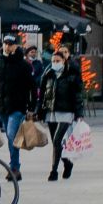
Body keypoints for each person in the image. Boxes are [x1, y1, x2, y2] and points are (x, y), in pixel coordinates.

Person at [0, 35, 38, 181]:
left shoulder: (23, 65)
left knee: (12, 136)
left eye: (10, 44)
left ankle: (14, 167)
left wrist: (31, 107)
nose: (7, 46)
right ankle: (14, 166)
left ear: (15, 46)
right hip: (2, 107)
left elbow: (32, 87)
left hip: (18, 107)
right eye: (5, 43)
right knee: (9, 136)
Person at [37, 46, 84, 182]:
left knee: (58, 140)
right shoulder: (48, 74)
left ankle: (53, 171)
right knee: (55, 143)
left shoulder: (72, 75)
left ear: (64, 61)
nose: (55, 63)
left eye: (58, 60)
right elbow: (42, 96)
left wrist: (79, 113)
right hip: (51, 111)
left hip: (66, 111)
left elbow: (78, 95)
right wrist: (38, 111)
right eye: (53, 60)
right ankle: (67, 163)